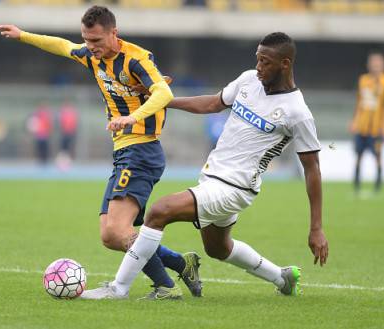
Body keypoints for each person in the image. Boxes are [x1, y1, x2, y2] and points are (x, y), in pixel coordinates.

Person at [81, 32, 329, 299]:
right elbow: (212, 103)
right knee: (218, 248)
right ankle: (283, 277)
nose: (258, 67)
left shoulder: (297, 112)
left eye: (265, 62)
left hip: (236, 187)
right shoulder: (248, 80)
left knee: (159, 211)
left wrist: (316, 227)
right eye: (257, 59)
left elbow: (312, 168)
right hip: (213, 178)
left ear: (285, 64)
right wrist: (163, 101)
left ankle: (120, 289)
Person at [0, 5, 202, 299]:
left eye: (96, 41)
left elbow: (164, 93)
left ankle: (166, 288)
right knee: (110, 235)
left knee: (119, 230)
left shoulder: (136, 59)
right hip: (124, 152)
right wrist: (23, 35)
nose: (90, 47)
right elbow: (64, 46)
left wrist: (133, 117)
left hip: (141, 149)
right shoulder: (93, 57)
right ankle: (181, 263)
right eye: (87, 40)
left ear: (113, 33)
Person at [350, 52, 384, 194]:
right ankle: (356, 186)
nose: (375, 66)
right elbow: (359, 103)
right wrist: (354, 121)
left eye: (378, 63)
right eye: (373, 63)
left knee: (378, 156)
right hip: (362, 127)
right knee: (358, 155)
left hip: (377, 129)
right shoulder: (363, 80)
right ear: (369, 65)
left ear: (383, 65)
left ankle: (378, 187)